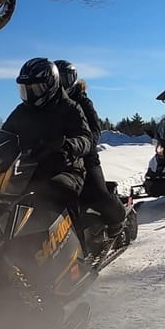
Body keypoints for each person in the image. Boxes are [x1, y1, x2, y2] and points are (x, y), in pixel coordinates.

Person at [2, 58, 93, 231]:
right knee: (3, 197)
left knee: (58, 190)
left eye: (36, 88)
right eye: (26, 89)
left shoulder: (69, 107)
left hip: (67, 167)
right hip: (30, 170)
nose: (31, 94)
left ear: (51, 85)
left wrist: (68, 145)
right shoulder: (21, 112)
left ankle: (79, 248)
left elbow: (85, 138)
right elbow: (6, 135)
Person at [55, 60, 127, 253]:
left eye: (65, 78)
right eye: (58, 78)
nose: (62, 83)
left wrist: (77, 144)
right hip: (58, 160)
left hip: (86, 158)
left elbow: (94, 131)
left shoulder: (82, 101)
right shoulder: (49, 103)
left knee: (98, 195)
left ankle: (117, 220)